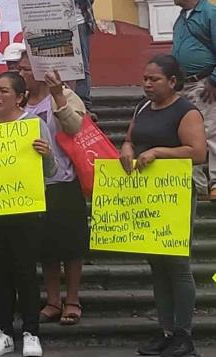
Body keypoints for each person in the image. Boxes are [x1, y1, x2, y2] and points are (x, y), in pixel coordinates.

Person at [120, 55, 206, 357]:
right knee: (156, 264)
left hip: (176, 193)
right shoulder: (143, 107)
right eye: (145, 78)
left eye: (154, 79)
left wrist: (158, 151)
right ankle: (166, 330)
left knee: (177, 265)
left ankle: (184, 334)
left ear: (172, 82)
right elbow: (130, 138)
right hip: (146, 193)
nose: (147, 84)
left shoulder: (186, 111)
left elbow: (197, 151)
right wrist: (127, 149)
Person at [0, 72, 56, 357]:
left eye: (3, 91)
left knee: (25, 272)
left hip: (26, 211)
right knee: (0, 273)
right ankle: (4, 332)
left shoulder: (34, 125)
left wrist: (46, 154)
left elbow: (52, 172)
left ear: (19, 97)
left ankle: (31, 332)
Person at [17, 53, 88, 326]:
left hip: (64, 180)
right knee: (45, 247)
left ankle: (72, 300)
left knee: (70, 246)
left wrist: (58, 96)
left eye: (26, 69)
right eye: (19, 69)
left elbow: (74, 128)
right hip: (32, 185)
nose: (22, 73)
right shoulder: (20, 100)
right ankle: (53, 300)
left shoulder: (67, 97)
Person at [170, 0, 216, 201]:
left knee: (209, 132)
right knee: (189, 136)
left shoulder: (210, 14)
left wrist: (214, 80)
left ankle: (215, 182)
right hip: (183, 85)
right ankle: (197, 185)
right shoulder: (182, 17)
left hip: (205, 83)